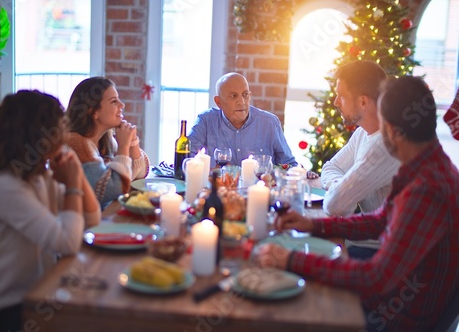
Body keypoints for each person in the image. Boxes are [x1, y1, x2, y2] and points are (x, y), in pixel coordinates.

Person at [255, 76, 459, 332]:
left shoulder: (425, 190)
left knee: (291, 306)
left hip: (398, 319)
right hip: (396, 300)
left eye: (381, 125)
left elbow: (376, 277)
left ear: (393, 132)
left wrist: (291, 259)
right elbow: (380, 220)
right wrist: (313, 225)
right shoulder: (428, 166)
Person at [0, 90, 101, 332]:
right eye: (59, 128)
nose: (65, 136)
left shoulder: (36, 173)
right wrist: (73, 186)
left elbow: (92, 219)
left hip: (32, 293)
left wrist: (75, 170)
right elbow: (67, 243)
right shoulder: (3, 184)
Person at [320, 60, 400, 259]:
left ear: (363, 102)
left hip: (382, 251)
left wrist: (342, 191)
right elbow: (331, 166)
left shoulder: (385, 145)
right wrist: (340, 184)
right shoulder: (363, 133)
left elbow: (335, 205)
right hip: (362, 240)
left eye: (341, 96)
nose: (335, 102)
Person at [66, 77, 150, 209]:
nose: (122, 105)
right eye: (114, 101)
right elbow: (113, 188)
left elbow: (140, 173)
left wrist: (132, 142)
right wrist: (124, 147)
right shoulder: (76, 144)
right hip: (85, 226)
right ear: (93, 112)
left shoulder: (106, 140)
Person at [188, 72, 298, 168]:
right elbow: (186, 158)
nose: (241, 102)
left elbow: (289, 165)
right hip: (219, 189)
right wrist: (209, 172)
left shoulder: (269, 123)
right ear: (218, 102)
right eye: (233, 96)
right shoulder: (206, 121)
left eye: (245, 95)